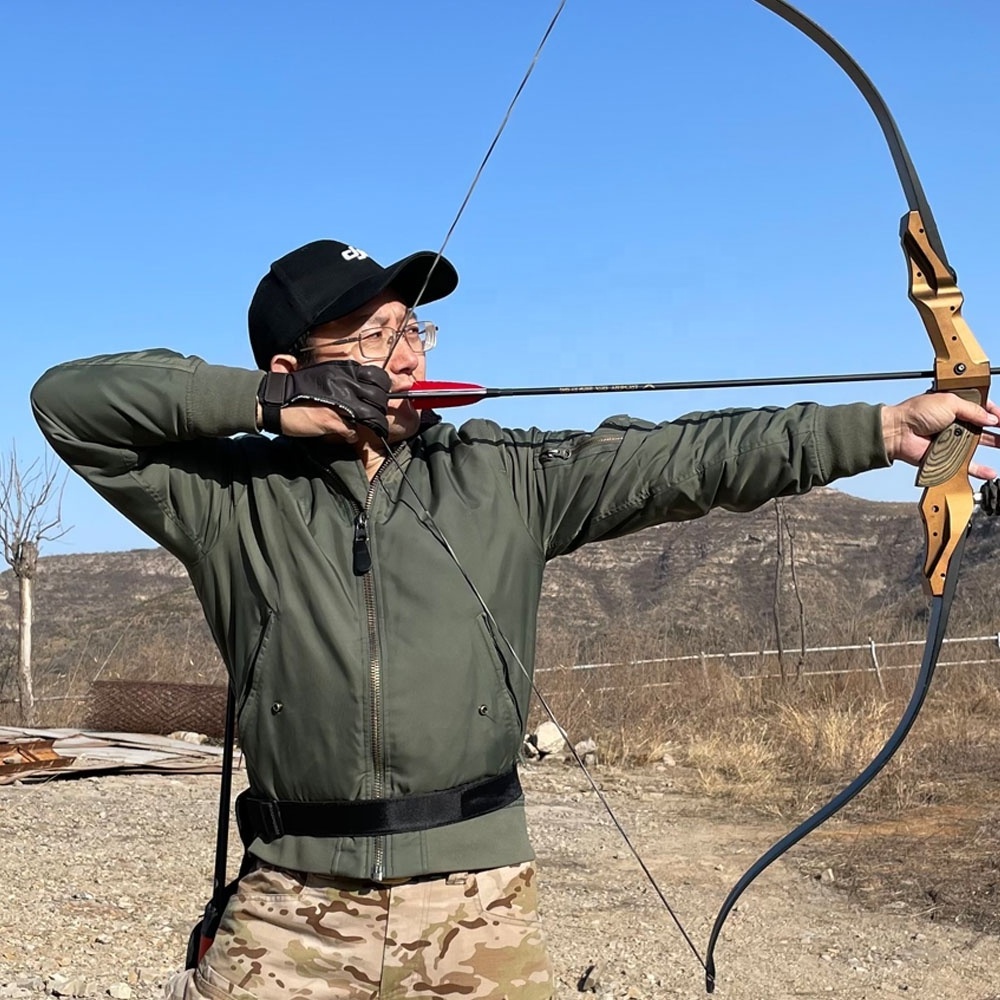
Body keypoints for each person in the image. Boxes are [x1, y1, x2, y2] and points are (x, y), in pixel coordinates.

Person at [31, 238, 999, 1000]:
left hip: (477, 905)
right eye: (372, 338)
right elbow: (67, 403)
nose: (408, 354)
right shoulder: (227, 497)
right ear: (294, 367)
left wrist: (878, 428)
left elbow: (686, 457)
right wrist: (270, 405)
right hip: (289, 902)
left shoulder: (500, 475)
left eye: (414, 330)